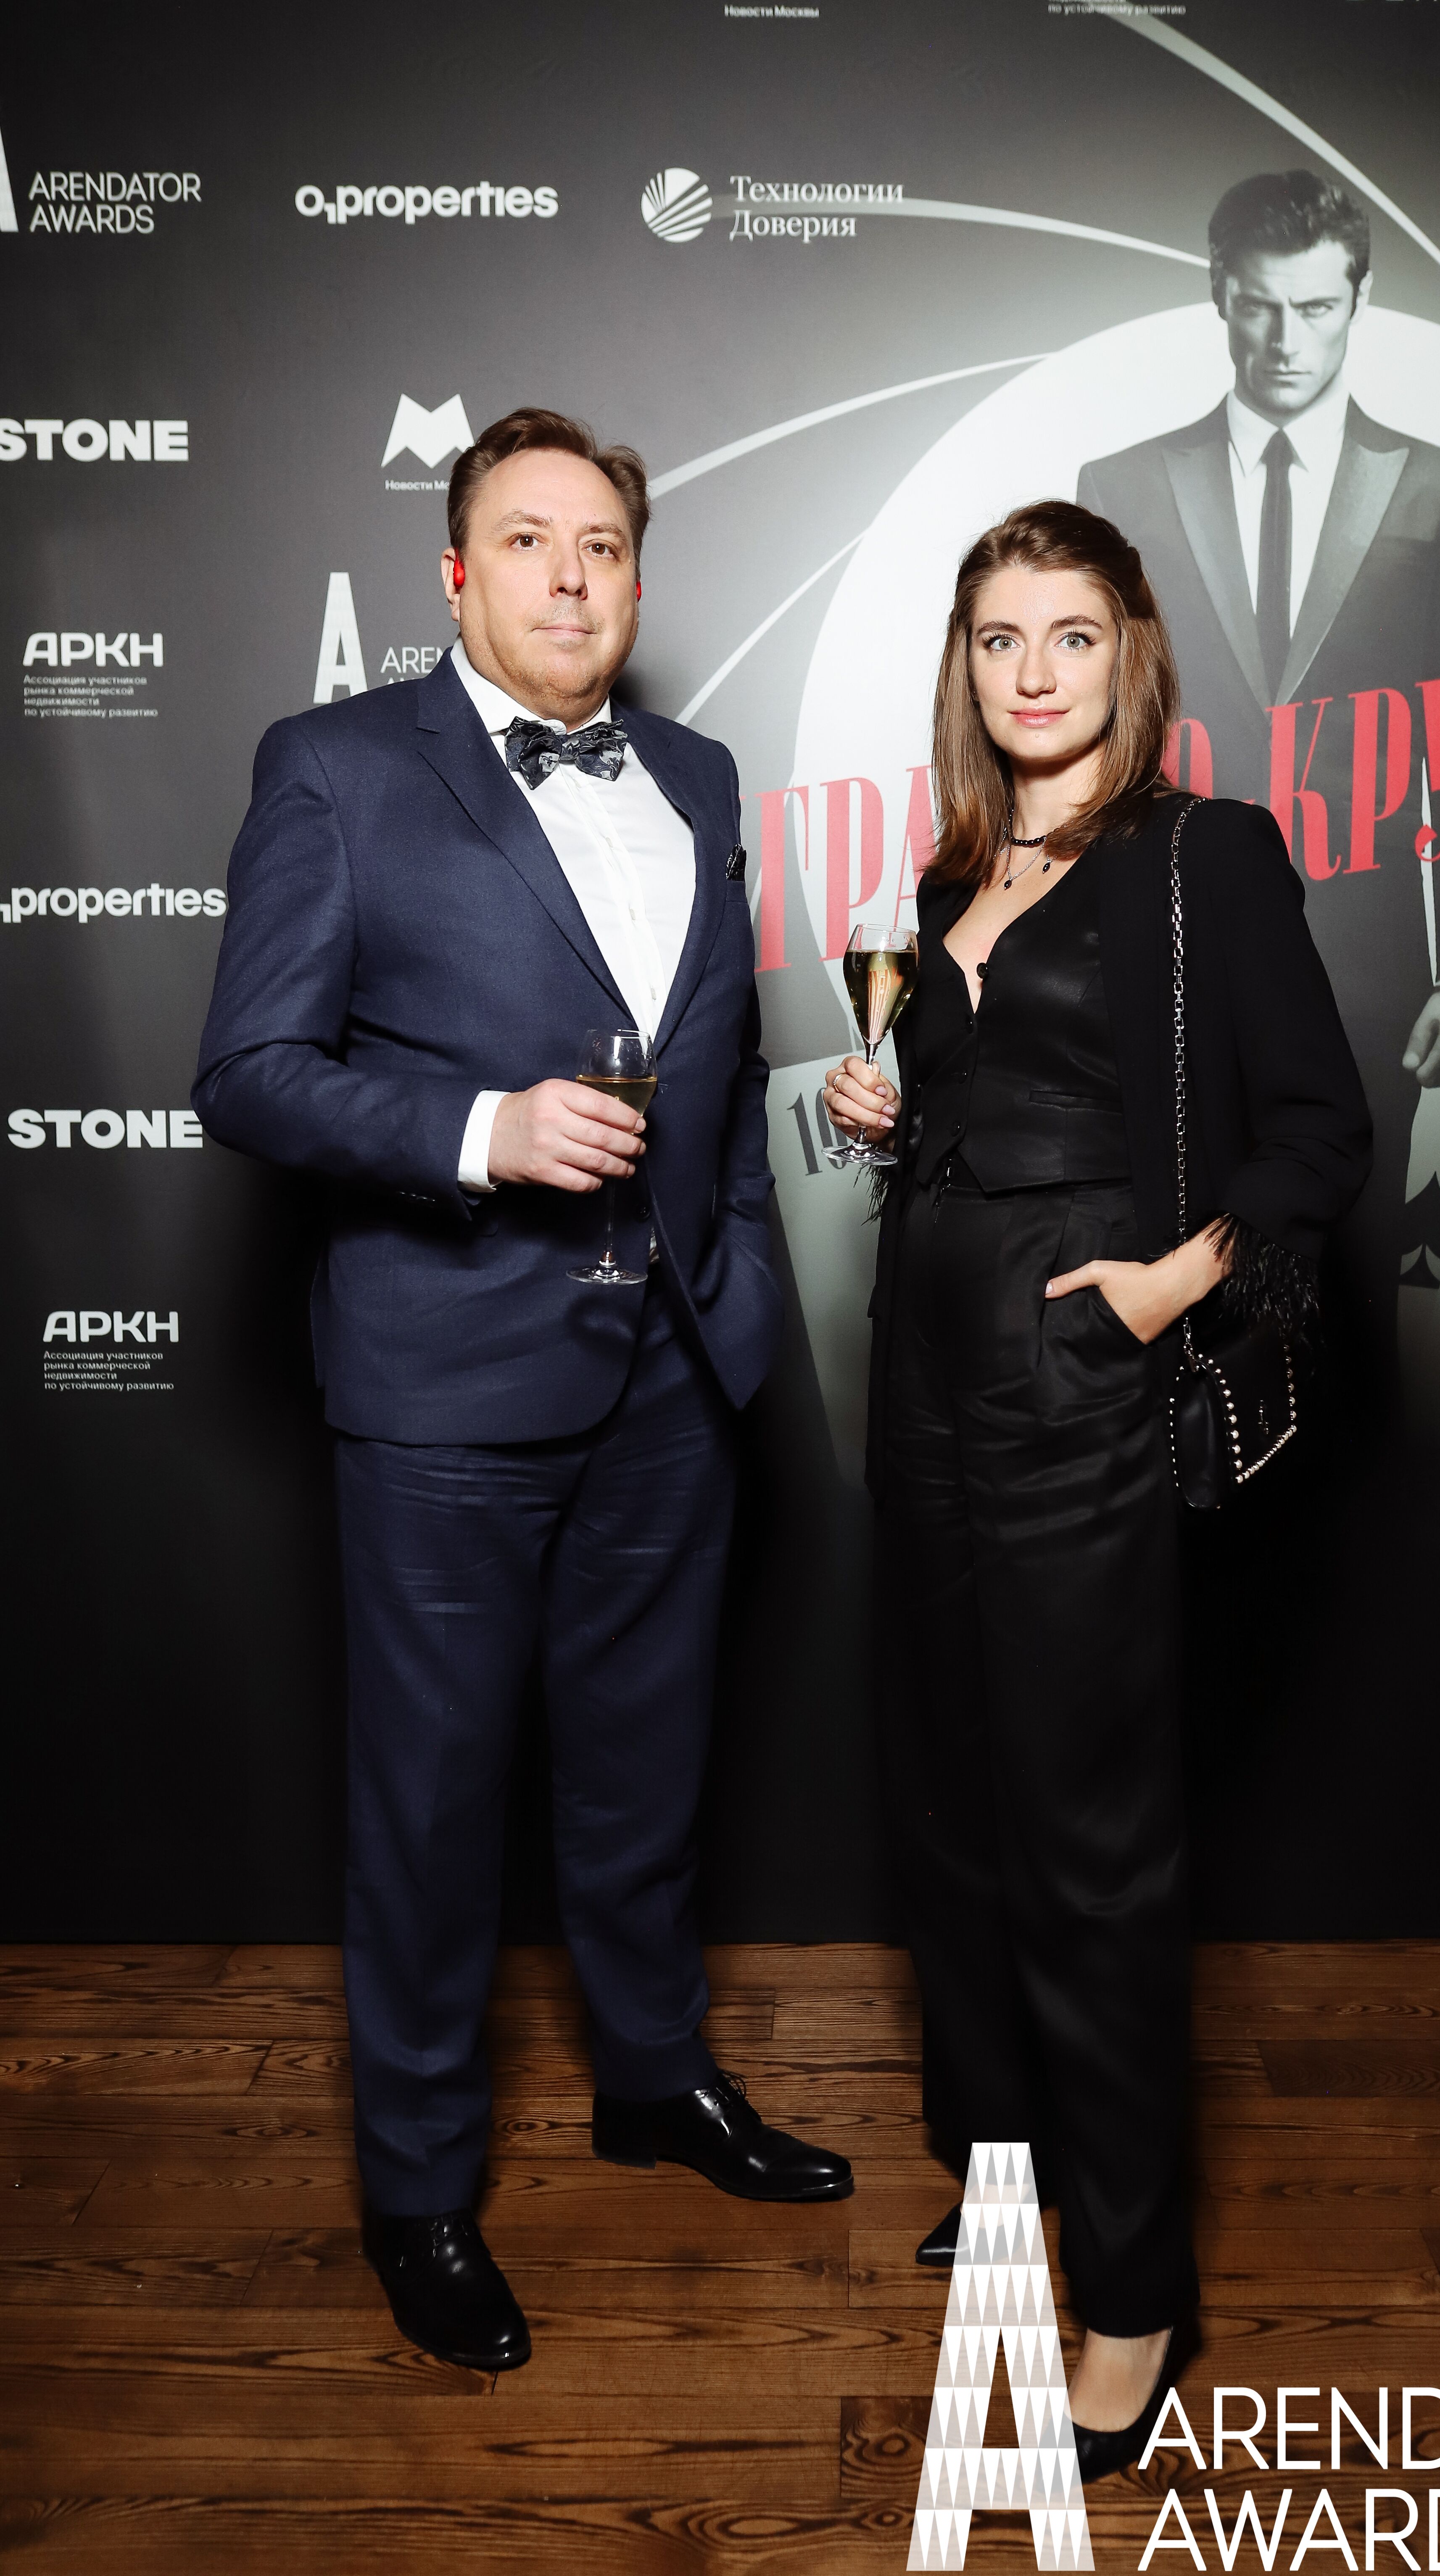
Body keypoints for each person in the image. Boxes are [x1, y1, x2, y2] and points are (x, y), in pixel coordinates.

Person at [194, 406, 851, 2378]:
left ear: (635, 581)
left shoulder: (699, 773)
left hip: (674, 1366)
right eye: (527, 540)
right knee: (431, 1804)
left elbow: (720, 1060)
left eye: (603, 546)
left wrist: (734, 1280)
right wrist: (478, 1130)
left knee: (645, 1769)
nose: (571, 576)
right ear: (456, 574)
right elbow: (247, 1072)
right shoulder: (331, 768)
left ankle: (652, 2074)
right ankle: (415, 2184)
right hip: (447, 1380)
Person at [823, 502, 1369, 2481]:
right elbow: (964, 1110)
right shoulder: (946, 871)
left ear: (1129, 651)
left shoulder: (1202, 857)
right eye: (997, 637)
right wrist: (877, 1104)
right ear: (962, 666)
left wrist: (1169, 1282)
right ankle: (1004, 2171)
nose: (1032, 670)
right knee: (948, 1801)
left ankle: (1134, 2287)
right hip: (919, 1377)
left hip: (1079, 1384)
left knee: (1088, 1838)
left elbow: (1318, 1127)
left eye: (1068, 632)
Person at [1078, 169, 1440, 1408]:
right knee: (1176, 1277)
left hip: (1369, 965)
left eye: (1316, 309)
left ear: (1357, 301)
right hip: (1168, 945)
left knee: (1355, 1291)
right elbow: (1096, 732)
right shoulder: (1123, 484)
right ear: (1222, 296)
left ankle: (1365, 1519)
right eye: (1262, 307)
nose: (1285, 340)